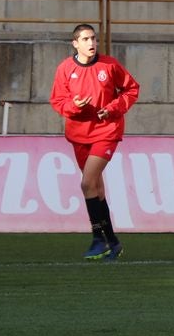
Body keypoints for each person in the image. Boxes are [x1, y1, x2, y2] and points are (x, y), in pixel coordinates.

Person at [49, 23, 140, 260]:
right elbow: (58, 101)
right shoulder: (65, 69)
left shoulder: (109, 65)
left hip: (106, 131)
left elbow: (131, 90)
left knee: (86, 183)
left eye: (93, 38)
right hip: (79, 134)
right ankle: (113, 242)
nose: (91, 43)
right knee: (96, 188)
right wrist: (73, 106)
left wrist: (111, 109)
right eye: (86, 39)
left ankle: (98, 238)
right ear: (75, 43)